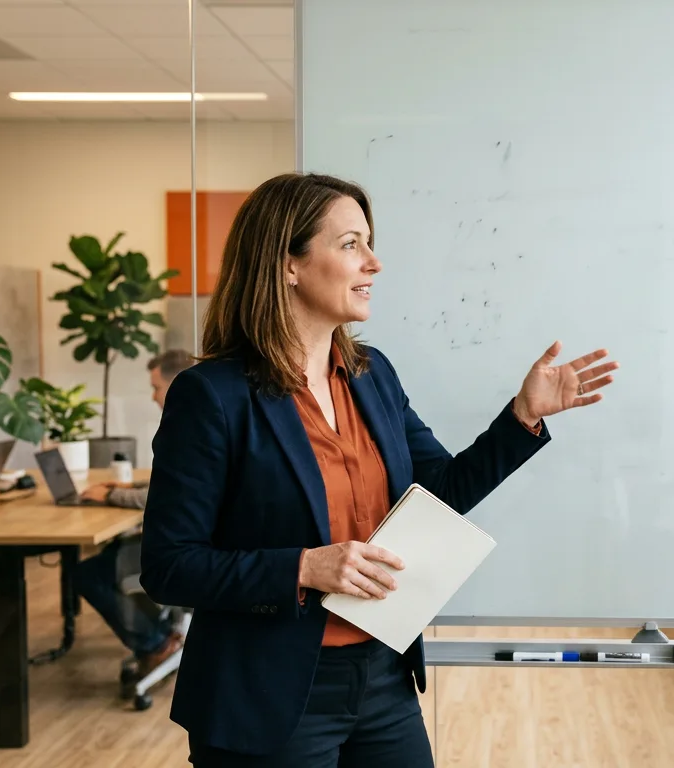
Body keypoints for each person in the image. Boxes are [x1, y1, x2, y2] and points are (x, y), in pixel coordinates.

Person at [140, 172, 617, 766]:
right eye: (350, 244)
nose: (374, 262)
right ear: (288, 263)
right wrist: (305, 568)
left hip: (382, 678)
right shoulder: (210, 395)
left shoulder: (372, 373)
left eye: (369, 242)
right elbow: (168, 566)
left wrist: (523, 416)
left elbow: (438, 493)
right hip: (269, 692)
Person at [72, 348, 195, 682]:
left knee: (90, 574)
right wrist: (124, 485)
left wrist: (112, 494)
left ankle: (155, 643)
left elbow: (159, 495)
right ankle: (159, 633)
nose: (153, 396)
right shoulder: (198, 417)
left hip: (186, 551)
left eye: (156, 387)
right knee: (111, 557)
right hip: (194, 542)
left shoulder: (188, 423)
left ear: (177, 383)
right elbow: (170, 481)